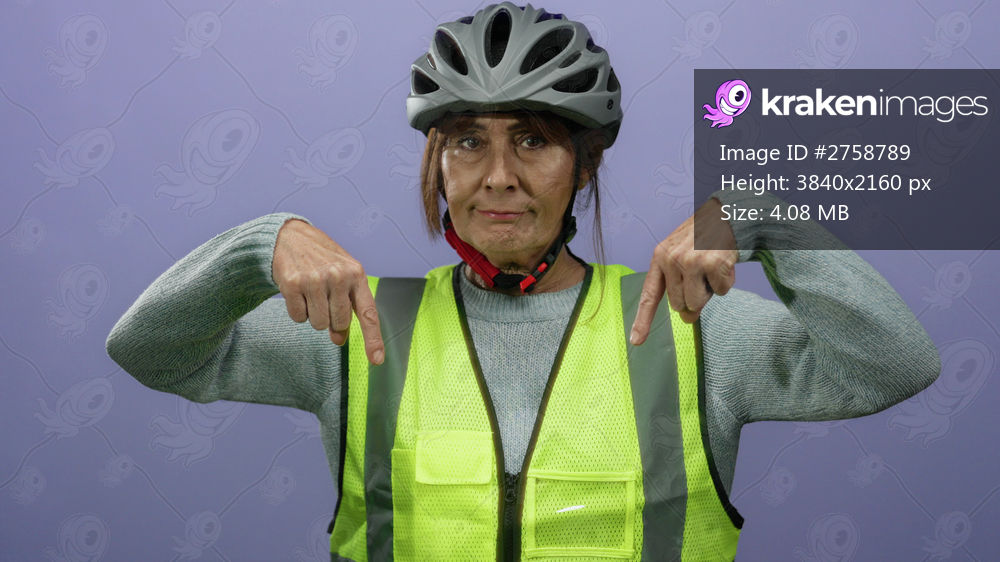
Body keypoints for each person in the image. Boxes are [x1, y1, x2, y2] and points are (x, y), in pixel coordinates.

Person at [105, 3, 941, 561]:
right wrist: (260, 246)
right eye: (469, 141)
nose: (499, 175)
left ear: (584, 166)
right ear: (438, 162)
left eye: (533, 140)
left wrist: (763, 219)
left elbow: (895, 366)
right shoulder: (355, 329)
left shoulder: (693, 328)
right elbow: (151, 352)